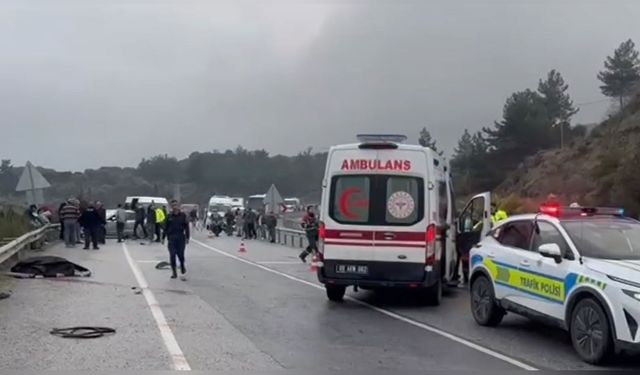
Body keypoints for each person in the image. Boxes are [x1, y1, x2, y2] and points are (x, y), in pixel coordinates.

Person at [163, 200, 190, 280]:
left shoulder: (183, 216)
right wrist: (163, 237)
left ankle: (182, 265)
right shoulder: (169, 216)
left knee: (180, 255)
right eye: (173, 206)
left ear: (178, 207)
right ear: (172, 207)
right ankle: (174, 272)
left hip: (180, 238)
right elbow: (165, 227)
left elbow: (186, 227)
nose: (175, 207)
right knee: (172, 255)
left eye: (176, 205)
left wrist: (187, 237)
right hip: (171, 238)